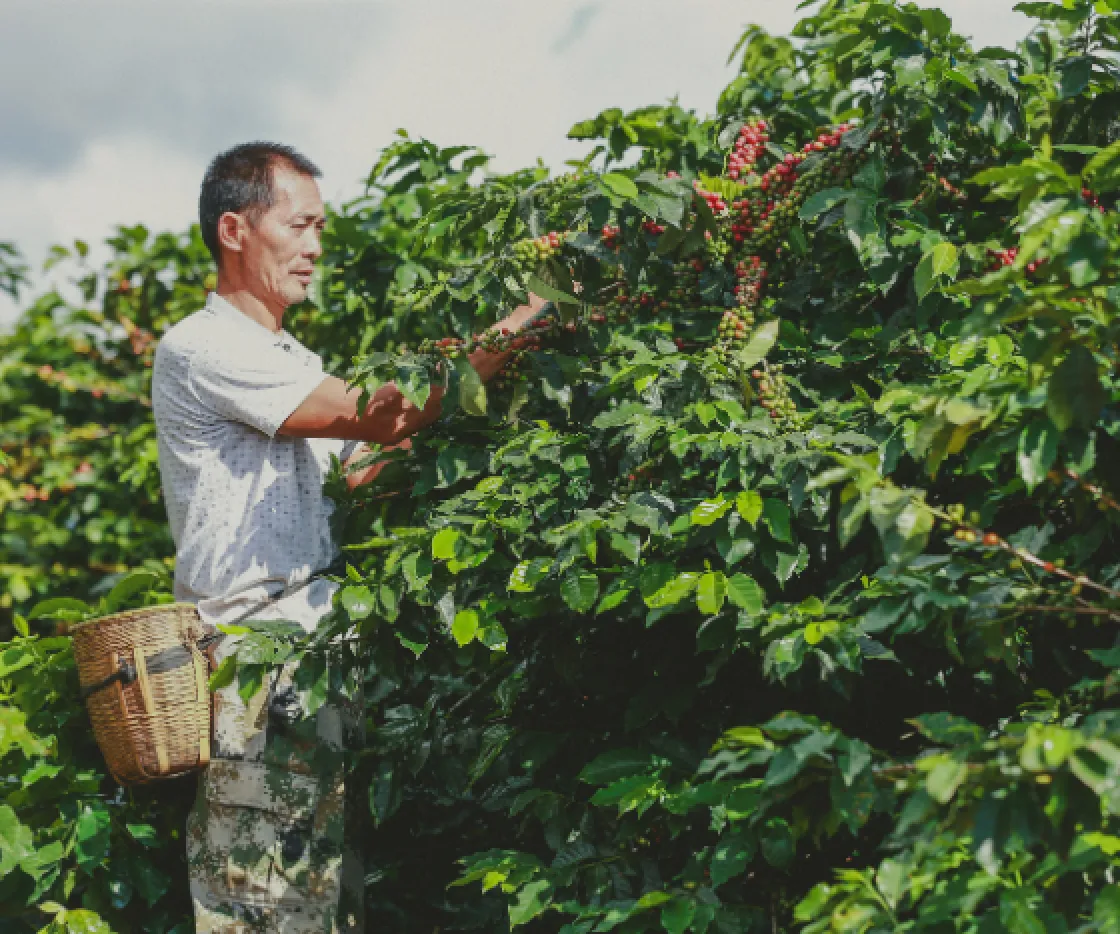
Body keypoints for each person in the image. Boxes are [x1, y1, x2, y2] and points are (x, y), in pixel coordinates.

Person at [151, 141, 544, 933]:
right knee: (262, 908)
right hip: (252, 667)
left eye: (319, 228)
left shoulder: (289, 357)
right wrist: (532, 312)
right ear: (235, 229)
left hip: (313, 661)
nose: (316, 248)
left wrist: (500, 424)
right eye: (299, 226)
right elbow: (385, 411)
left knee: (323, 902)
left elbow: (362, 468)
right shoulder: (205, 344)